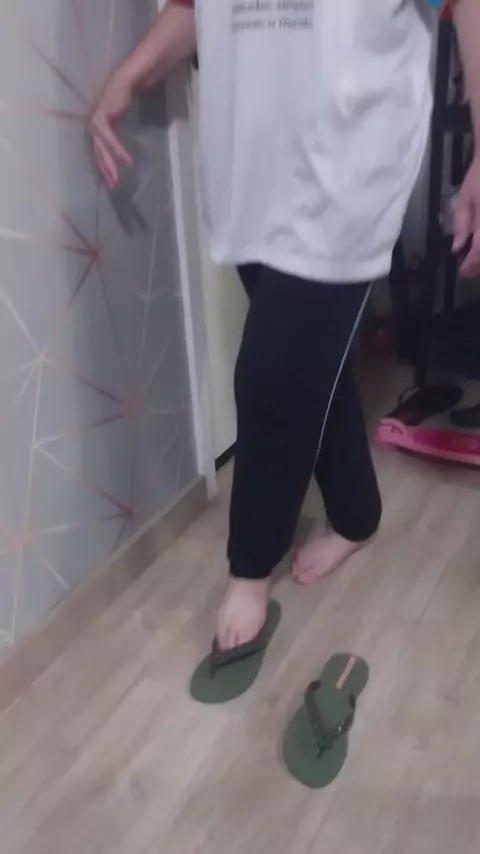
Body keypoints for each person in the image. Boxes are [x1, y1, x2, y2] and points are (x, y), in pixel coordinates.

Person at [90, 0, 480, 653]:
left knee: (270, 378)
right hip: (251, 180)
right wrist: (127, 78)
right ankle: (356, 512)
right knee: (307, 364)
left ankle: (250, 572)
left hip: (349, 172)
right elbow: (195, 9)